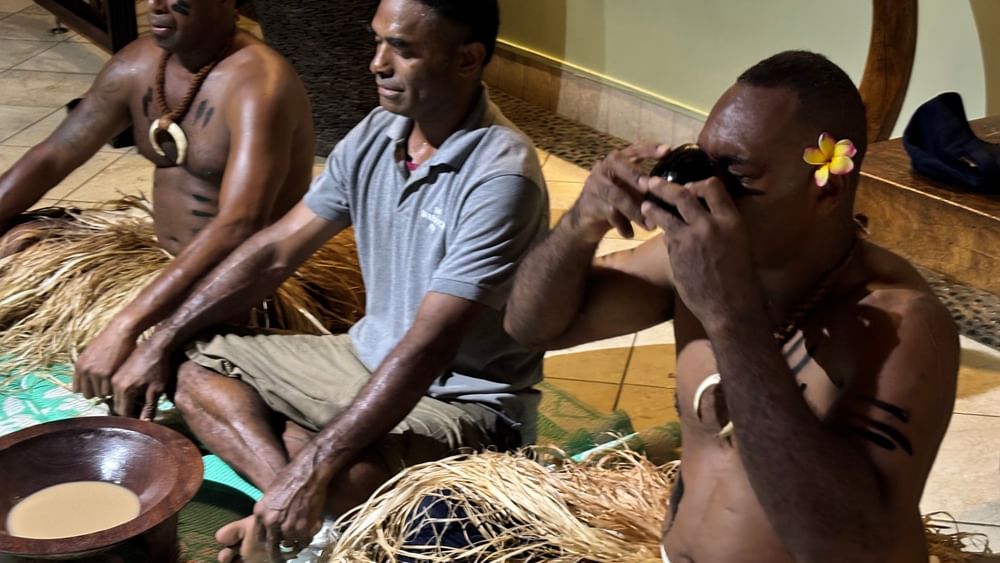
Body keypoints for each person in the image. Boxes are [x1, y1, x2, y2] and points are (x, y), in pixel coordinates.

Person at [107, 0, 548, 560]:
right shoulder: (378, 131)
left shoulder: (500, 175)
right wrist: (159, 338)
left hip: (463, 398)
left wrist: (316, 466)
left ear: (467, 60)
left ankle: (301, 504)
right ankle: (300, 517)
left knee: (333, 466)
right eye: (378, 41)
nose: (378, 63)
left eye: (404, 49)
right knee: (190, 369)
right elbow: (272, 251)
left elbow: (426, 346)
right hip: (361, 357)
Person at [505, 50, 958, 562]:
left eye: (736, 176)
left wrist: (731, 318)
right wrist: (582, 223)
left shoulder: (903, 325)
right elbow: (531, 326)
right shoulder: (688, 260)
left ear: (827, 187)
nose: (703, 193)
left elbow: (843, 546)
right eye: (703, 163)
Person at [0, 0, 361, 402]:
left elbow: (238, 226)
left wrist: (126, 323)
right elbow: (52, 157)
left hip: (238, 279)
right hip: (156, 254)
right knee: (16, 242)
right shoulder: (138, 65)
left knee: (177, 363)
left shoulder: (259, 83)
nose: (157, 7)